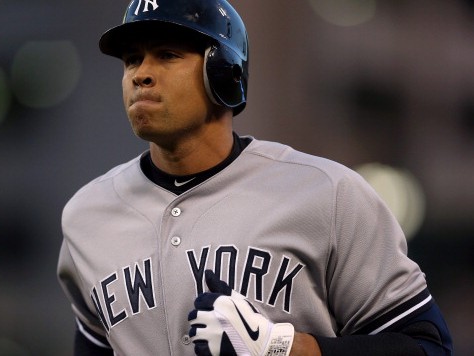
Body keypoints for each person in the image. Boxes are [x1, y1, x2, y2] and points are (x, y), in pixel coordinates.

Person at [57, 0, 453, 355]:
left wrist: (281, 347)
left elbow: (426, 346)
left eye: (167, 54)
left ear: (223, 72)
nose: (141, 74)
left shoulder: (327, 193)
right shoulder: (87, 215)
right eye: (131, 59)